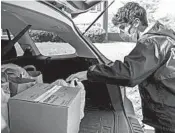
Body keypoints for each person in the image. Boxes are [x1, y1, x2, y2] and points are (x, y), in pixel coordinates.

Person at [66, 2, 175, 133]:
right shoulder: (164, 38)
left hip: (169, 111)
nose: (122, 32)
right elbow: (138, 66)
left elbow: (130, 74)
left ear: (135, 23)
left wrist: (89, 74)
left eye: (123, 27)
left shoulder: (151, 42)